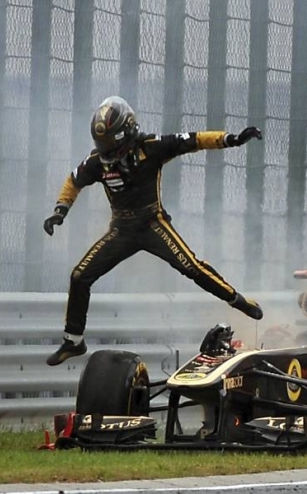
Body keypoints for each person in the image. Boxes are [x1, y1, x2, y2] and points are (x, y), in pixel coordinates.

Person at [42, 95, 264, 366]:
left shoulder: (152, 147)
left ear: (128, 132)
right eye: (102, 145)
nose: (108, 152)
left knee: (191, 267)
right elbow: (73, 181)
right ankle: (73, 341)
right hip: (121, 230)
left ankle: (237, 300)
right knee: (79, 276)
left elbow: (194, 140)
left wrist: (232, 139)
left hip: (152, 224)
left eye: (112, 144)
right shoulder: (97, 161)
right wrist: (60, 210)